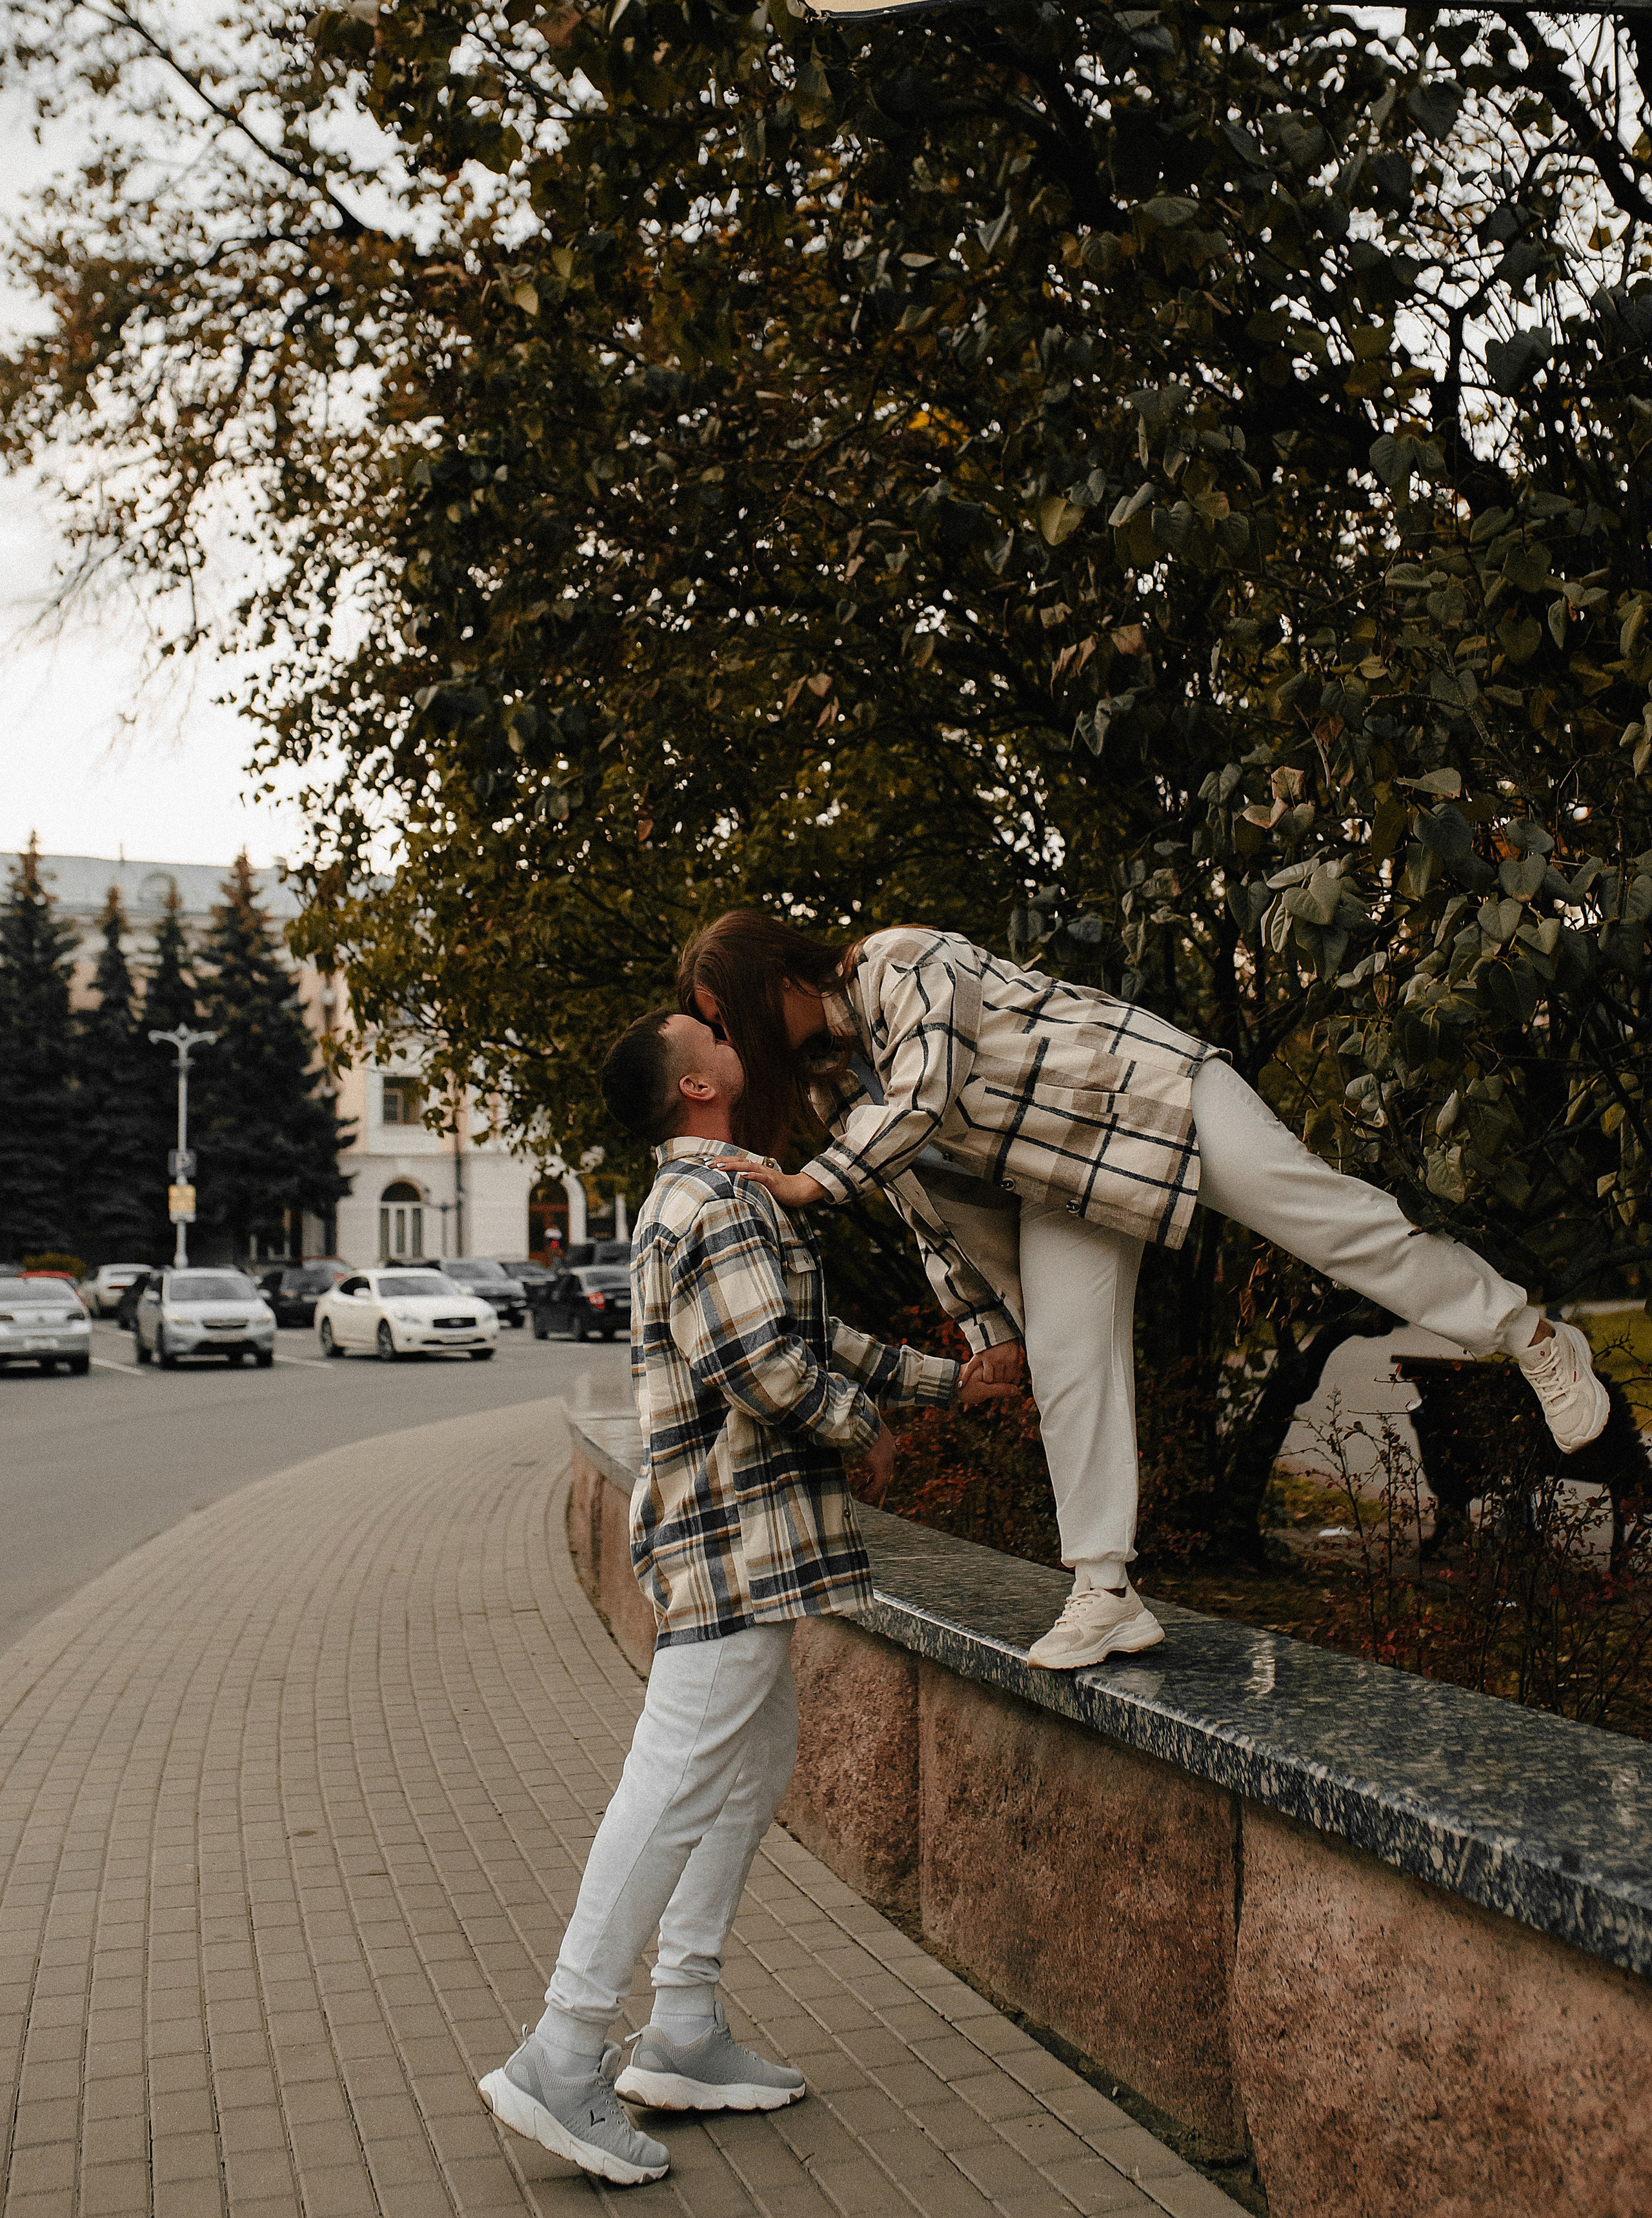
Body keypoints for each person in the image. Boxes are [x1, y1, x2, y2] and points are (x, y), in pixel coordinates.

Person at [678, 912, 1613, 1674]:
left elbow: (927, 1093)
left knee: (1332, 1224)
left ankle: (1531, 1337)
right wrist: (984, 1325)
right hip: (1064, 1180)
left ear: (768, 983)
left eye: (724, 1020)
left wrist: (811, 1185)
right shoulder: (830, 1088)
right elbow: (931, 1206)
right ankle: (1104, 1590)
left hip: (1147, 1094)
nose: (728, 1041)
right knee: (1064, 1352)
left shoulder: (898, 961)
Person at [478, 1002, 1016, 2187]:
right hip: (728, 1535)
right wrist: (866, 1427)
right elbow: (767, 1369)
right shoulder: (712, 1205)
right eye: (708, 1035)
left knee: (751, 1760)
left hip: (738, 1536)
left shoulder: (733, 1196)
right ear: (697, 1089)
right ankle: (561, 2054)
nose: (728, 1036)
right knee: (671, 1782)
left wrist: (947, 1383)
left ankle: (681, 2030)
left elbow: (808, 1338)